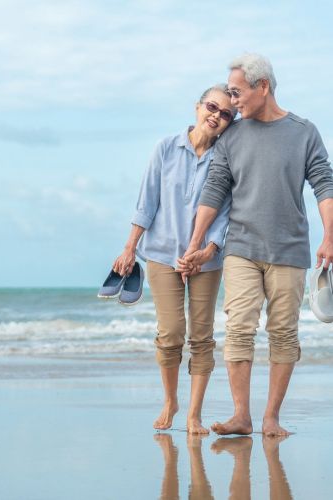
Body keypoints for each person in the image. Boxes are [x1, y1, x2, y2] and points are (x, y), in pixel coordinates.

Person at [182, 53, 333, 437]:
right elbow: (215, 188)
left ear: (262, 87)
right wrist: (195, 244)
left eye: (237, 93)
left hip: (289, 249)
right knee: (239, 330)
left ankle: (270, 419)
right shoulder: (231, 136)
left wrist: (330, 235)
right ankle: (241, 416)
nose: (233, 102)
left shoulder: (304, 132)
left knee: (283, 333)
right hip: (241, 247)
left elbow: (324, 184)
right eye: (229, 94)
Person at [113, 84, 235, 434]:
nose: (217, 115)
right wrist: (129, 247)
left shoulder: (225, 158)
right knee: (170, 333)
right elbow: (146, 201)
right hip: (162, 255)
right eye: (212, 107)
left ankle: (194, 414)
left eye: (226, 113)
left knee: (202, 336)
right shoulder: (165, 148)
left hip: (206, 261)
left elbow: (226, 212)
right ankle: (170, 401)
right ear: (198, 107)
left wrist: (209, 249)